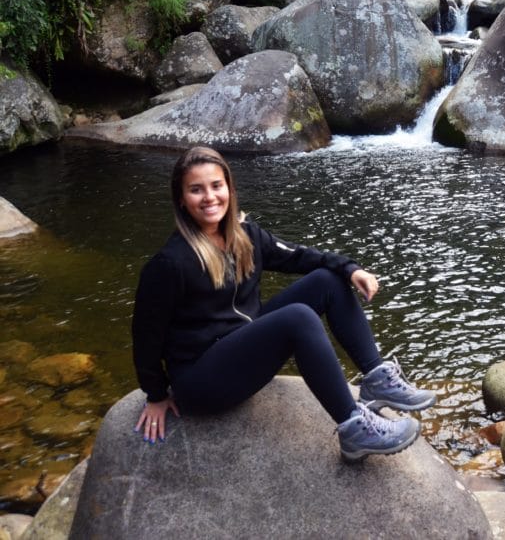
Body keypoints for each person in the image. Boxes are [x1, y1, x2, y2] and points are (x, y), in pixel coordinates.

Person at [131, 146, 435, 462]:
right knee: (298, 318)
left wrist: (350, 267)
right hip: (202, 379)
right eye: (196, 189)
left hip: (241, 348)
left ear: (230, 189)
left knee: (328, 280)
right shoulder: (170, 264)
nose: (209, 197)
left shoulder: (246, 236)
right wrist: (155, 394)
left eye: (216, 186)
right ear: (181, 199)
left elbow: (299, 256)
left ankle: (376, 379)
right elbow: (145, 336)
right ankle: (354, 427)